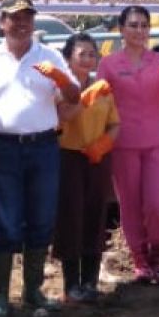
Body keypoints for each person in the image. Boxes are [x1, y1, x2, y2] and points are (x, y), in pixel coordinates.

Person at [0, 0, 80, 317]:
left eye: (27, 18)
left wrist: (61, 78)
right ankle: (1, 295)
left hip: (44, 146)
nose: (22, 24)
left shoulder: (50, 56)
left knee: (42, 218)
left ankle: (32, 291)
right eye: (15, 18)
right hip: (4, 148)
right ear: (1, 21)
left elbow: (74, 95)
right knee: (6, 223)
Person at [97, 5, 159, 284]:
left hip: (158, 140)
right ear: (121, 29)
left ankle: (158, 258)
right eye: (134, 25)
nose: (139, 31)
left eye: (144, 26)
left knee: (155, 203)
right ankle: (140, 261)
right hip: (123, 143)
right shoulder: (109, 64)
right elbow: (101, 102)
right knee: (130, 204)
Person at [54, 33, 118, 301]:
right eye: (82, 54)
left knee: (95, 215)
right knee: (70, 217)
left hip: (97, 158)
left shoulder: (103, 86)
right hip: (68, 157)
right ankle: (71, 284)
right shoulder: (60, 87)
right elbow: (61, 117)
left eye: (92, 54)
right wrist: (83, 99)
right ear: (68, 58)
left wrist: (104, 144)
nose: (88, 59)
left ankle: (90, 281)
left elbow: (115, 123)